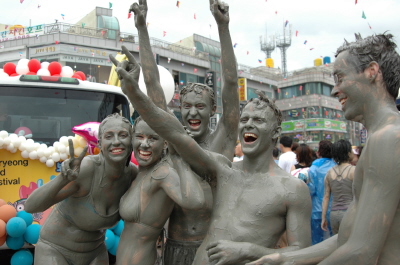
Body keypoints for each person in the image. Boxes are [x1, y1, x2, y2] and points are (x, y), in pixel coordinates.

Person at [114, 50, 312, 265]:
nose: (248, 124)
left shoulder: (290, 188)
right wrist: (133, 91)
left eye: (258, 120)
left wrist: (250, 251)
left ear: (275, 132)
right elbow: (167, 121)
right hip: (179, 248)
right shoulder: (222, 170)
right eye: (244, 119)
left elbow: (301, 252)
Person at [247, 32, 400, 265]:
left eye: (339, 78)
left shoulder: (389, 138)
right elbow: (347, 239)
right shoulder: (382, 137)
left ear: (372, 71)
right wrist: (282, 259)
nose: (334, 90)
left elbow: (362, 252)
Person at [123, 1, 240, 264]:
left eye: (200, 107)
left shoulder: (223, 140)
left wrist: (223, 26)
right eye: (186, 107)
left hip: (211, 249)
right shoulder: (172, 136)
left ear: (213, 110)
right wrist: (141, 27)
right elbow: (152, 84)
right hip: (174, 246)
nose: (192, 113)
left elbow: (231, 84)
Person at [25, 114, 138, 265]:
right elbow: (31, 206)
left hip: (95, 252)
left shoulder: (132, 175)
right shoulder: (87, 169)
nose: (116, 141)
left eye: (123, 135)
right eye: (109, 136)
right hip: (56, 249)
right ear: (100, 144)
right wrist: (62, 179)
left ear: (131, 141)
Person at [116, 117, 205, 265]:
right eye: (139, 136)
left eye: (152, 138)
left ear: (165, 143)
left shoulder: (162, 173)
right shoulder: (140, 172)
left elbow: (196, 201)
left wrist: (179, 157)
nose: (144, 144)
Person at [321, 139, 355, 235]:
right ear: (348, 153)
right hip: (350, 213)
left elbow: (326, 197)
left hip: (334, 215)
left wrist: (323, 217)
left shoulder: (329, 173)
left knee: (337, 242)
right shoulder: (354, 171)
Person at [307, 140, 335, 245]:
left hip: (317, 209)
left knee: (316, 241)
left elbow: (311, 189)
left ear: (319, 152)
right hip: (334, 208)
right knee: (335, 240)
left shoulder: (314, 168)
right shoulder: (336, 167)